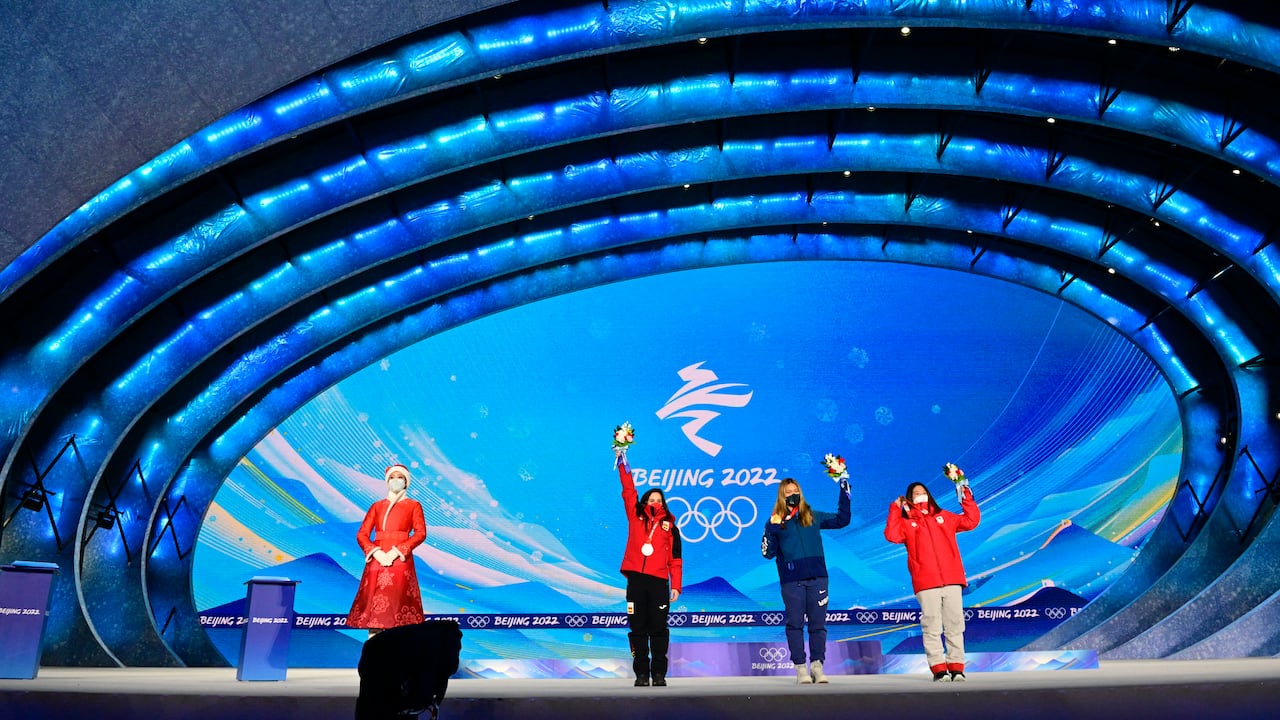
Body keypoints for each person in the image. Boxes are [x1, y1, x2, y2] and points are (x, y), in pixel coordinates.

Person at [883, 476, 981, 682]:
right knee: (932, 625)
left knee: (955, 623)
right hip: (926, 582)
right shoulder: (906, 524)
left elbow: (971, 521)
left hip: (952, 579)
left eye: (923, 492)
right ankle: (938, 668)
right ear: (909, 499)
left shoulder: (944, 516)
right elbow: (891, 535)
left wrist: (964, 493)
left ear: (929, 495)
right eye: (916, 493)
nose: (920, 495)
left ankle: (956, 666)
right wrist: (895, 508)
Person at [760, 476, 850, 684]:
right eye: (788, 493)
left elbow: (842, 520)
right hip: (792, 582)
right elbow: (767, 553)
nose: (793, 495)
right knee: (795, 624)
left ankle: (817, 666)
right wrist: (772, 530)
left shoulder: (812, 516)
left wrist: (844, 488)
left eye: (795, 491)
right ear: (782, 497)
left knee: (818, 625)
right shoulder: (775, 521)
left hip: (818, 579)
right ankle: (800, 668)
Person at [615, 446, 683, 687]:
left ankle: (659, 673)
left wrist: (676, 585)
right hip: (636, 580)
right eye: (651, 498)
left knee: (658, 628)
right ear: (645, 502)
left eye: (659, 499)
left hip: (658, 582)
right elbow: (628, 490)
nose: (655, 501)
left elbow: (676, 559)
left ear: (664, 504)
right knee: (637, 628)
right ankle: (641, 674)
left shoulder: (671, 528)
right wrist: (622, 460)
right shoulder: (635, 516)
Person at [347, 464, 428, 636]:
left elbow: (420, 533)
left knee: (397, 609)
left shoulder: (413, 505)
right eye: (392, 477)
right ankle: (373, 654)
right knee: (375, 611)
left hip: (400, 562)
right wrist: (375, 552)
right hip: (377, 561)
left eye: (400, 477)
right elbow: (362, 534)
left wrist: (397, 551)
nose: (395, 481)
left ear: (406, 482)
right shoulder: (377, 506)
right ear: (387, 481)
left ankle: (398, 657)